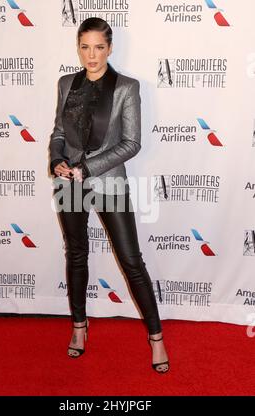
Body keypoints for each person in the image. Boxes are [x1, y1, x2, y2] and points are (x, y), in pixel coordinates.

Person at [49, 17, 169, 373]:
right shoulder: (66, 83)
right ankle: (79, 327)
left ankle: (156, 337)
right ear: (78, 47)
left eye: (99, 47)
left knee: (131, 260)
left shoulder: (126, 88)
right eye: (85, 46)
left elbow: (132, 143)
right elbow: (58, 130)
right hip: (68, 184)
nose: (92, 55)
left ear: (110, 48)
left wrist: (88, 168)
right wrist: (56, 159)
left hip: (109, 183)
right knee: (76, 255)